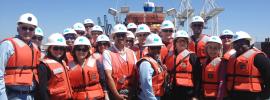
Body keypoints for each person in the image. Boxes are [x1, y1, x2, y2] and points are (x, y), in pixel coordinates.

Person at [0, 13, 40, 100]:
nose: (27, 31)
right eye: (24, 28)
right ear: (18, 29)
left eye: (31, 29)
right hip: (13, 95)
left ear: (34, 31)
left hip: (32, 95)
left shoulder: (35, 48)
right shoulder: (7, 45)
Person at [227, 31, 270, 100]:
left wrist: (262, 96)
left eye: (241, 43)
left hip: (253, 96)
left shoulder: (258, 57)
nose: (238, 46)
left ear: (248, 43)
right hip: (233, 96)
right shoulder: (232, 58)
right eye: (235, 43)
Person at [103, 24, 137, 100]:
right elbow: (108, 76)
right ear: (114, 37)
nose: (121, 37)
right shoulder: (107, 53)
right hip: (116, 92)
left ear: (126, 37)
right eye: (118, 35)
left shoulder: (131, 52)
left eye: (123, 35)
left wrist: (133, 92)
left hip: (130, 91)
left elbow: (135, 74)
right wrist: (116, 95)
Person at [164, 30, 201, 100]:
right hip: (172, 92)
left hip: (188, 93)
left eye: (184, 41)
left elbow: (198, 78)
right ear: (175, 43)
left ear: (187, 43)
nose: (182, 43)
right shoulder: (169, 56)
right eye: (180, 41)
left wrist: (196, 96)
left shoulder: (193, 57)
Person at [38, 33, 72, 100]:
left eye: (61, 48)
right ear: (50, 48)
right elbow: (42, 90)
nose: (59, 51)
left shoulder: (63, 62)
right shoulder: (44, 66)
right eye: (56, 48)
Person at [136, 34, 167, 100]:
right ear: (148, 48)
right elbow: (146, 85)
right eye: (153, 48)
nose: (156, 50)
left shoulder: (157, 61)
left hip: (157, 96)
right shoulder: (145, 63)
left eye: (158, 47)